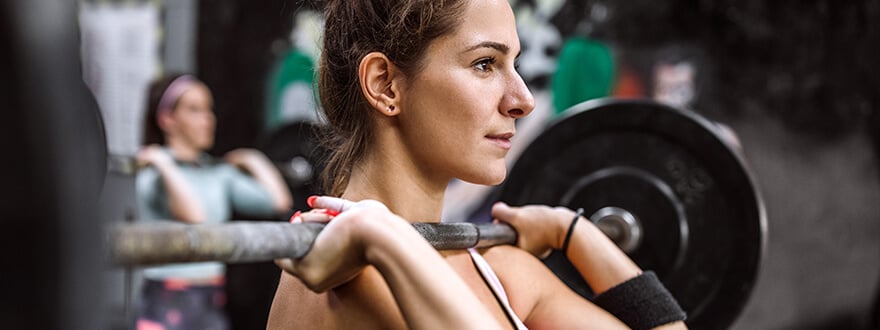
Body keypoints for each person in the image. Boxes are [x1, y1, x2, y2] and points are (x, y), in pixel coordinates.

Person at [268, 1, 687, 329]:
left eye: (515, 65)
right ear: (385, 84)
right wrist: (382, 240)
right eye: (485, 63)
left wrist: (571, 231)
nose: (523, 100)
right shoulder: (352, 275)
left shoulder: (494, 270)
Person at [135, 73, 293, 330]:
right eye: (194, 109)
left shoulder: (218, 173)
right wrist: (165, 163)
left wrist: (253, 160)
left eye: (209, 109)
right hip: (164, 303)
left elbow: (278, 201)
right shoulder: (153, 172)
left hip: (210, 301)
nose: (208, 119)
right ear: (167, 119)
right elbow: (195, 217)